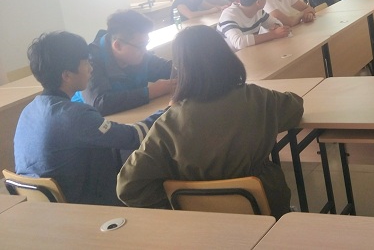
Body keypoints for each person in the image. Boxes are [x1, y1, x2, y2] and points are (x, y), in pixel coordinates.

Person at [117, 25, 304, 218]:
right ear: (227, 57)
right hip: (267, 211)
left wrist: (176, 198)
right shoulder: (258, 98)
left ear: (180, 69)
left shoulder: (168, 122)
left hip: (201, 221)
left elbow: (128, 186)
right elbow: (295, 108)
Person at [14, 32, 161, 205]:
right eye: (85, 63)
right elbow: (132, 137)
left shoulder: (29, 110)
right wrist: (167, 113)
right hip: (82, 207)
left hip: (43, 208)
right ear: (67, 75)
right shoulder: (74, 115)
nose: (91, 68)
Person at [75, 9, 174, 116]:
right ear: (118, 46)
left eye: (146, 44)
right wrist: (150, 92)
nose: (145, 51)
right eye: (141, 46)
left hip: (133, 117)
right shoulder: (90, 62)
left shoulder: (139, 53)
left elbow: (168, 68)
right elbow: (99, 103)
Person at [217, 0, 291, 51]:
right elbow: (239, 42)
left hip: (249, 53)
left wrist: (277, 27)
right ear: (258, 2)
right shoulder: (229, 15)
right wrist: (273, 34)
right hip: (229, 56)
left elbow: (275, 22)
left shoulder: (258, 12)